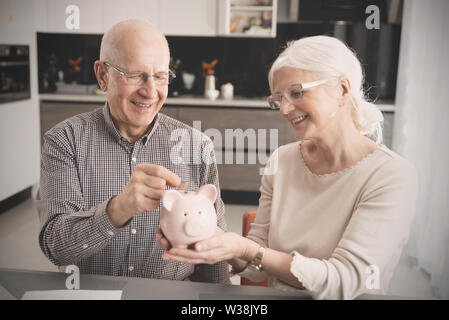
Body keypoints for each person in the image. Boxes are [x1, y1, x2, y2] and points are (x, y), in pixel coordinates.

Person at [159, 35, 418, 299]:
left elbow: (345, 280)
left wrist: (246, 250)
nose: (284, 109)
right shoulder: (282, 161)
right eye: (278, 98)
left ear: (342, 89)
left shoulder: (391, 176)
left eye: (296, 93)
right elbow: (258, 262)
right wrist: (215, 240)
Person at [37, 19, 229, 284]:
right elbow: (56, 248)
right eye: (135, 75)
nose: (150, 91)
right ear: (102, 76)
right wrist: (118, 209)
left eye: (160, 76)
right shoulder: (65, 141)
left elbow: (214, 255)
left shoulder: (197, 146)